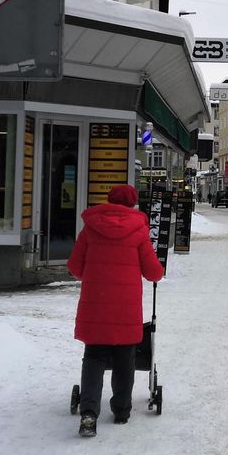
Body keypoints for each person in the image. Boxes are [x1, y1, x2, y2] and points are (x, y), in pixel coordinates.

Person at [67, 184, 164, 438]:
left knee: (94, 356)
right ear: (132, 204)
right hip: (126, 308)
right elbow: (153, 272)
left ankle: (88, 413)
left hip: (96, 306)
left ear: (108, 200)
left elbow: (75, 266)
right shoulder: (139, 231)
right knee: (125, 358)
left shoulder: (91, 227)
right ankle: (121, 410)